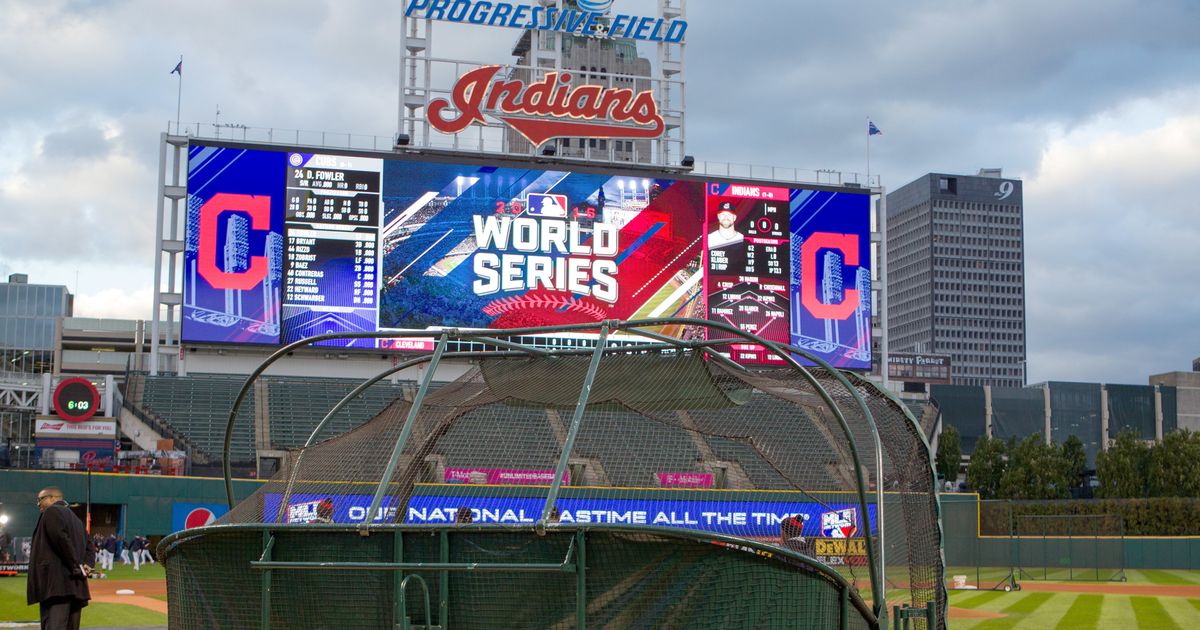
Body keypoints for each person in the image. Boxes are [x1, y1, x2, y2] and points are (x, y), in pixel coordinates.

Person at [28, 487, 90, 630]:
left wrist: (76, 566)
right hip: (76, 586)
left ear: (52, 498)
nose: (38, 504)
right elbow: (90, 546)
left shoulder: (51, 511)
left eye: (40, 499)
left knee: (54, 626)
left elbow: (61, 540)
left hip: (56, 586)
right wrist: (85, 566)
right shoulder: (76, 520)